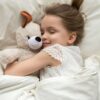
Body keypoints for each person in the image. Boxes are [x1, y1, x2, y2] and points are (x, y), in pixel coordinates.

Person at [5, 0, 84, 80]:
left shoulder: (53, 52)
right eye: (42, 32)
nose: (43, 37)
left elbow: (10, 72)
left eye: (51, 31)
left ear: (71, 38)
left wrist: (10, 62)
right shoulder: (77, 56)